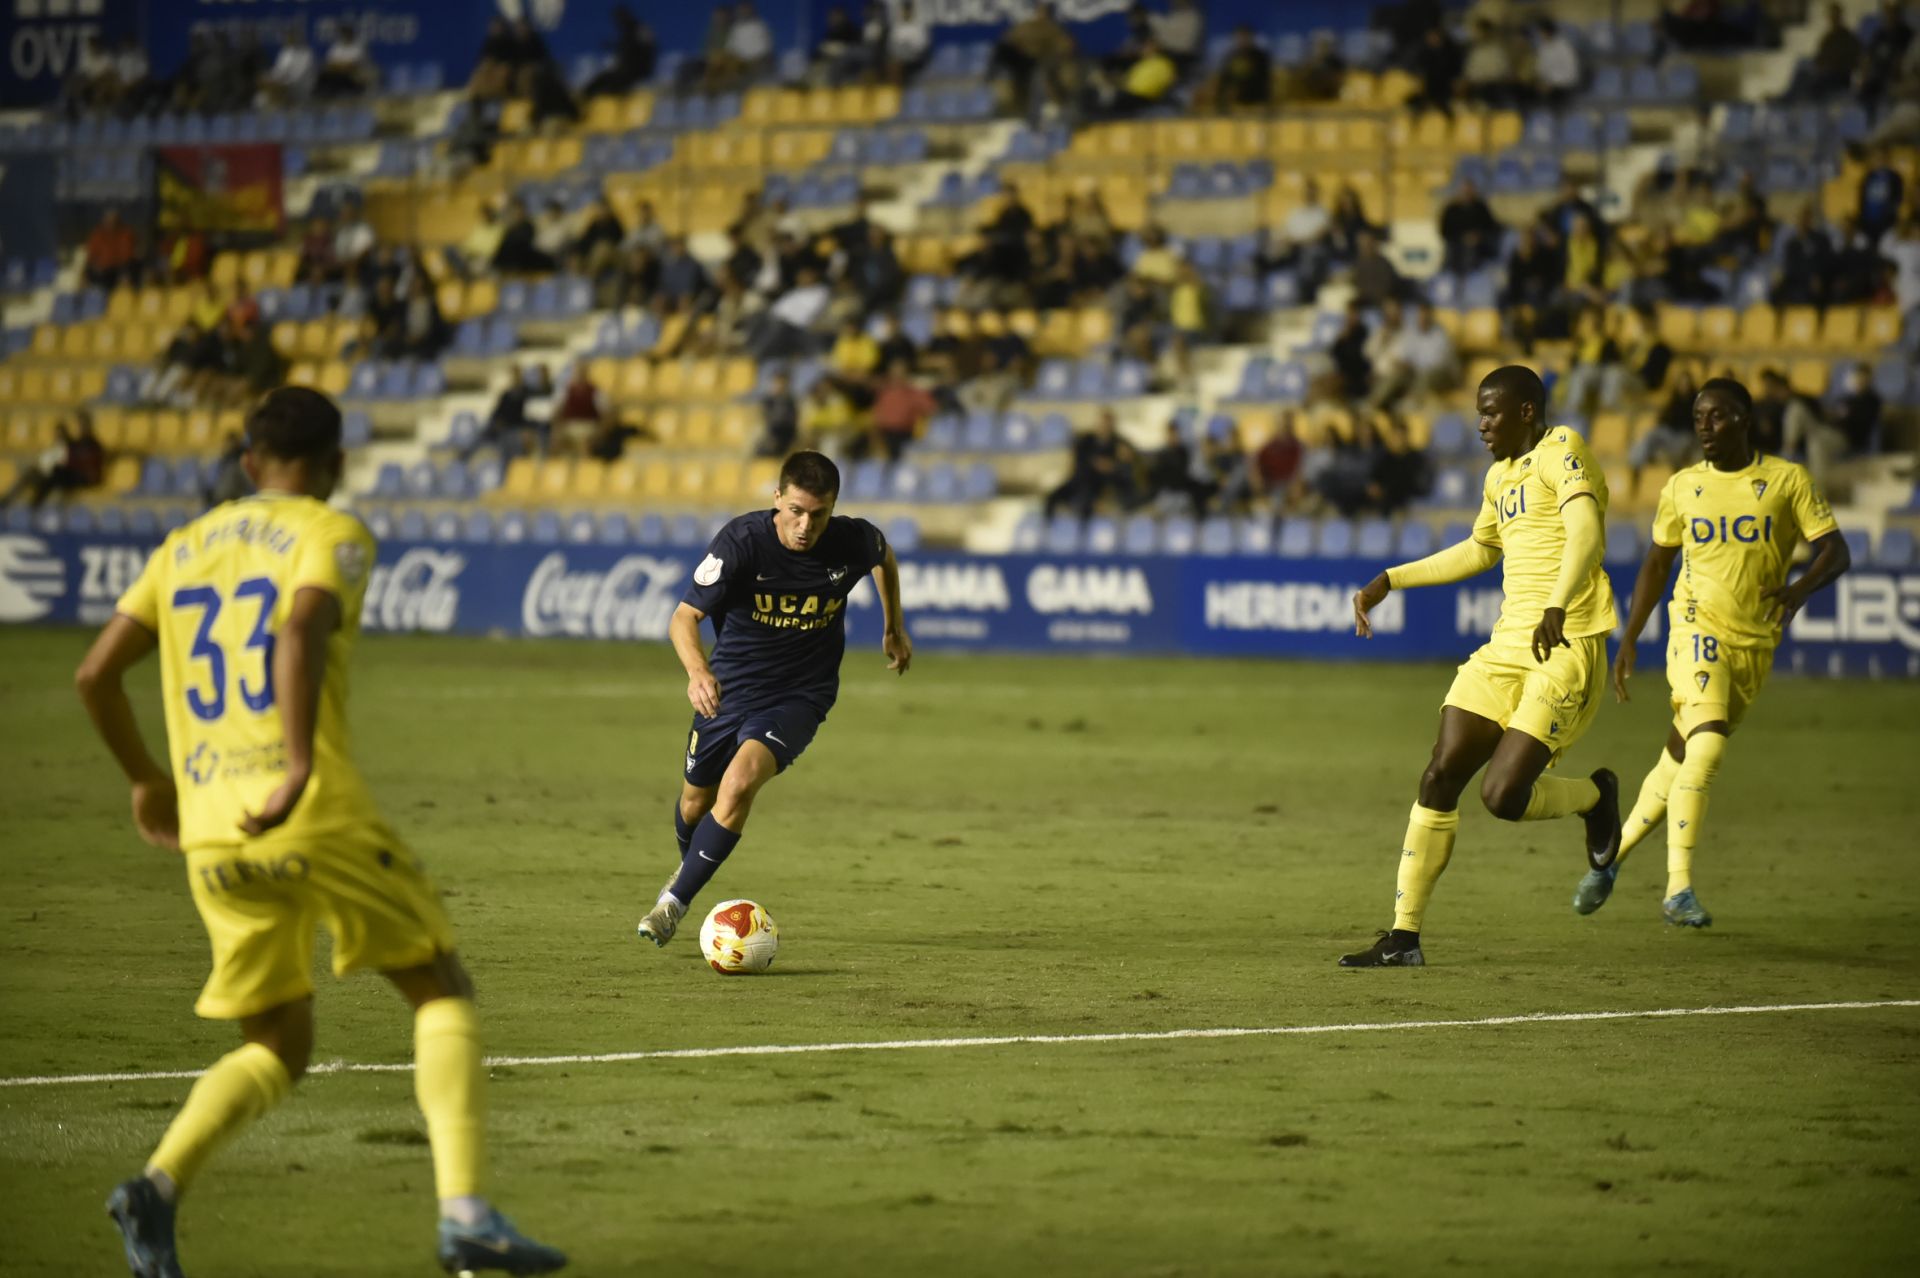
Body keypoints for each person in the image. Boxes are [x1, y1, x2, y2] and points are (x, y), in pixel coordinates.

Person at [74, 387, 566, 1276]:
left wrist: (149, 781)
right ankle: (464, 1215)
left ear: (249, 460)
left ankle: (157, 1185)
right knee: (439, 986)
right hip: (311, 809)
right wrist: (297, 763)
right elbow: (299, 626)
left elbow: (94, 676)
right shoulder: (329, 533)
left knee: (278, 1041)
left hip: (214, 832)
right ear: (335, 464)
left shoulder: (180, 549)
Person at [1343, 365, 1622, 967]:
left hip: (1565, 640)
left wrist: (1557, 602)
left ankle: (1594, 799)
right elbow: (1477, 549)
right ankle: (1403, 937)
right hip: (1506, 648)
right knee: (1440, 775)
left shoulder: (1562, 450)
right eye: (1478, 413)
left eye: (1491, 412)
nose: (1481, 425)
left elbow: (1585, 532)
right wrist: (1391, 579)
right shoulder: (1500, 478)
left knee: (1501, 795)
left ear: (1526, 410)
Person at [1583, 379, 1850, 928]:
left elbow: (1835, 550)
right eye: (1699, 417)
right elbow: (1658, 563)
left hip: (1753, 643)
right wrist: (1631, 635)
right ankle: (1678, 888)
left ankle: (1612, 857)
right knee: (1705, 750)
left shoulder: (1785, 481)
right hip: (1694, 629)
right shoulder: (1682, 486)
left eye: (1718, 417)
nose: (1704, 426)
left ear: (1745, 420)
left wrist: (1800, 588)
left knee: (1678, 756)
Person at [637, 452, 911, 946]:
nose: (806, 526)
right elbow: (683, 617)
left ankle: (674, 903)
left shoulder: (852, 538)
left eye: (819, 514)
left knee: (739, 783)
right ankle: (686, 874)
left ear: (834, 508)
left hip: (800, 693)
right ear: (777, 499)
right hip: (729, 689)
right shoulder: (742, 542)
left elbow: (883, 556)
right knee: (695, 802)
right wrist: (698, 672)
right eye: (797, 511)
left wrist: (894, 626)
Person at [1044, 409, 1138, 518]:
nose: (1105, 427)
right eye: (1102, 423)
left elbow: (1127, 469)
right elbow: (1079, 463)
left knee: (1088, 503)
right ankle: (1047, 526)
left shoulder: (1119, 443)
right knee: (1052, 498)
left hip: (1103, 485)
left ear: (1113, 426)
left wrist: (1115, 465)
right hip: (1081, 481)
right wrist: (1095, 464)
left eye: (1108, 424)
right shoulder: (1085, 441)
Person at [2, 413, 105, 508]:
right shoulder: (76, 442)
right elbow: (69, 456)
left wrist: (65, 461)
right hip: (70, 475)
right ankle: (10, 501)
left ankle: (34, 506)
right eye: (79, 424)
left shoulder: (93, 444)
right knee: (35, 473)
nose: (80, 427)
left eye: (83, 424)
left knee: (55, 474)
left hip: (84, 478)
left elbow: (81, 464)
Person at [1630, 369, 1701, 495]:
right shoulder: (1672, 399)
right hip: (1669, 432)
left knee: (1683, 442)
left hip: (1685, 434)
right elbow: (1662, 419)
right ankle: (1637, 461)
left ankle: (1674, 466)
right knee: (1651, 434)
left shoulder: (1696, 402)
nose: (1683, 385)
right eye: (1682, 382)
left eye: (1686, 382)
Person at [1215, 25, 1271, 107]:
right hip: (1234, 101)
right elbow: (1225, 80)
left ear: (1251, 38)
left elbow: (1263, 80)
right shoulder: (1231, 56)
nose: (1242, 40)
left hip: (1256, 98)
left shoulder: (1260, 57)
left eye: (1245, 37)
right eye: (1239, 37)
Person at [86, 209, 139, 290]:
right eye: (108, 220)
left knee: (129, 271)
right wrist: (97, 265)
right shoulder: (97, 234)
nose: (110, 222)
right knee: (91, 273)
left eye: (113, 220)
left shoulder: (126, 233)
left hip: (120, 269)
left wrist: (120, 268)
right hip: (102, 271)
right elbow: (91, 255)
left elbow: (127, 255)